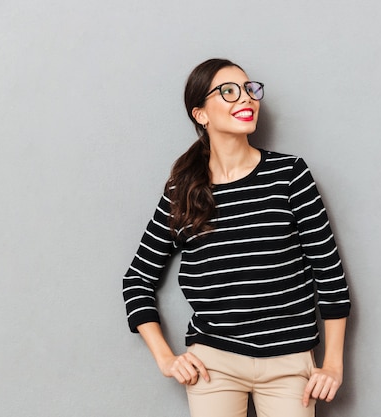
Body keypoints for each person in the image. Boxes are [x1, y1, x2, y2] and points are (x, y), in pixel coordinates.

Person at [122, 58, 351, 417]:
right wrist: (166, 359)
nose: (245, 98)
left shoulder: (289, 175)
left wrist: (333, 363)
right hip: (213, 364)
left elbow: (329, 272)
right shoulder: (181, 191)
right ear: (201, 114)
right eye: (228, 92)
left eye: (250, 89)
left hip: (290, 364)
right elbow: (137, 280)